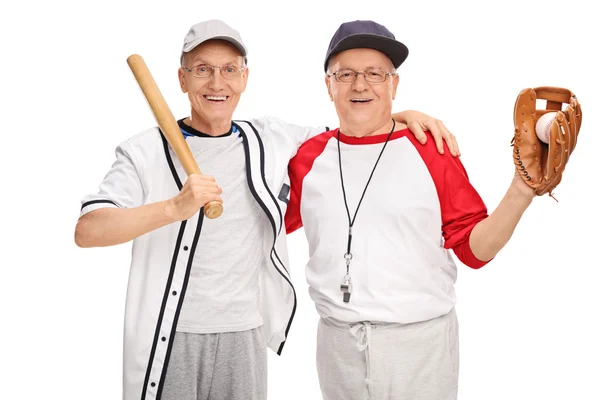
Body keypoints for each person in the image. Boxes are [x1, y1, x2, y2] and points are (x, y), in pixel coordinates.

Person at [74, 19, 457, 400]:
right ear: (182, 78)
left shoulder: (272, 139)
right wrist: (175, 206)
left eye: (229, 70)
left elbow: (356, 128)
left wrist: (405, 115)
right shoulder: (142, 151)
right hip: (171, 332)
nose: (217, 83)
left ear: (244, 77)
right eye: (203, 70)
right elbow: (88, 230)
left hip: (245, 333)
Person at [285, 20, 541, 400]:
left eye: (375, 73)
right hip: (337, 346)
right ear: (328, 85)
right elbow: (261, 222)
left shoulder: (431, 149)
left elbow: (474, 250)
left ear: (394, 84)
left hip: (420, 346)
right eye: (346, 74)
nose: (359, 84)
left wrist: (523, 188)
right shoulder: (307, 156)